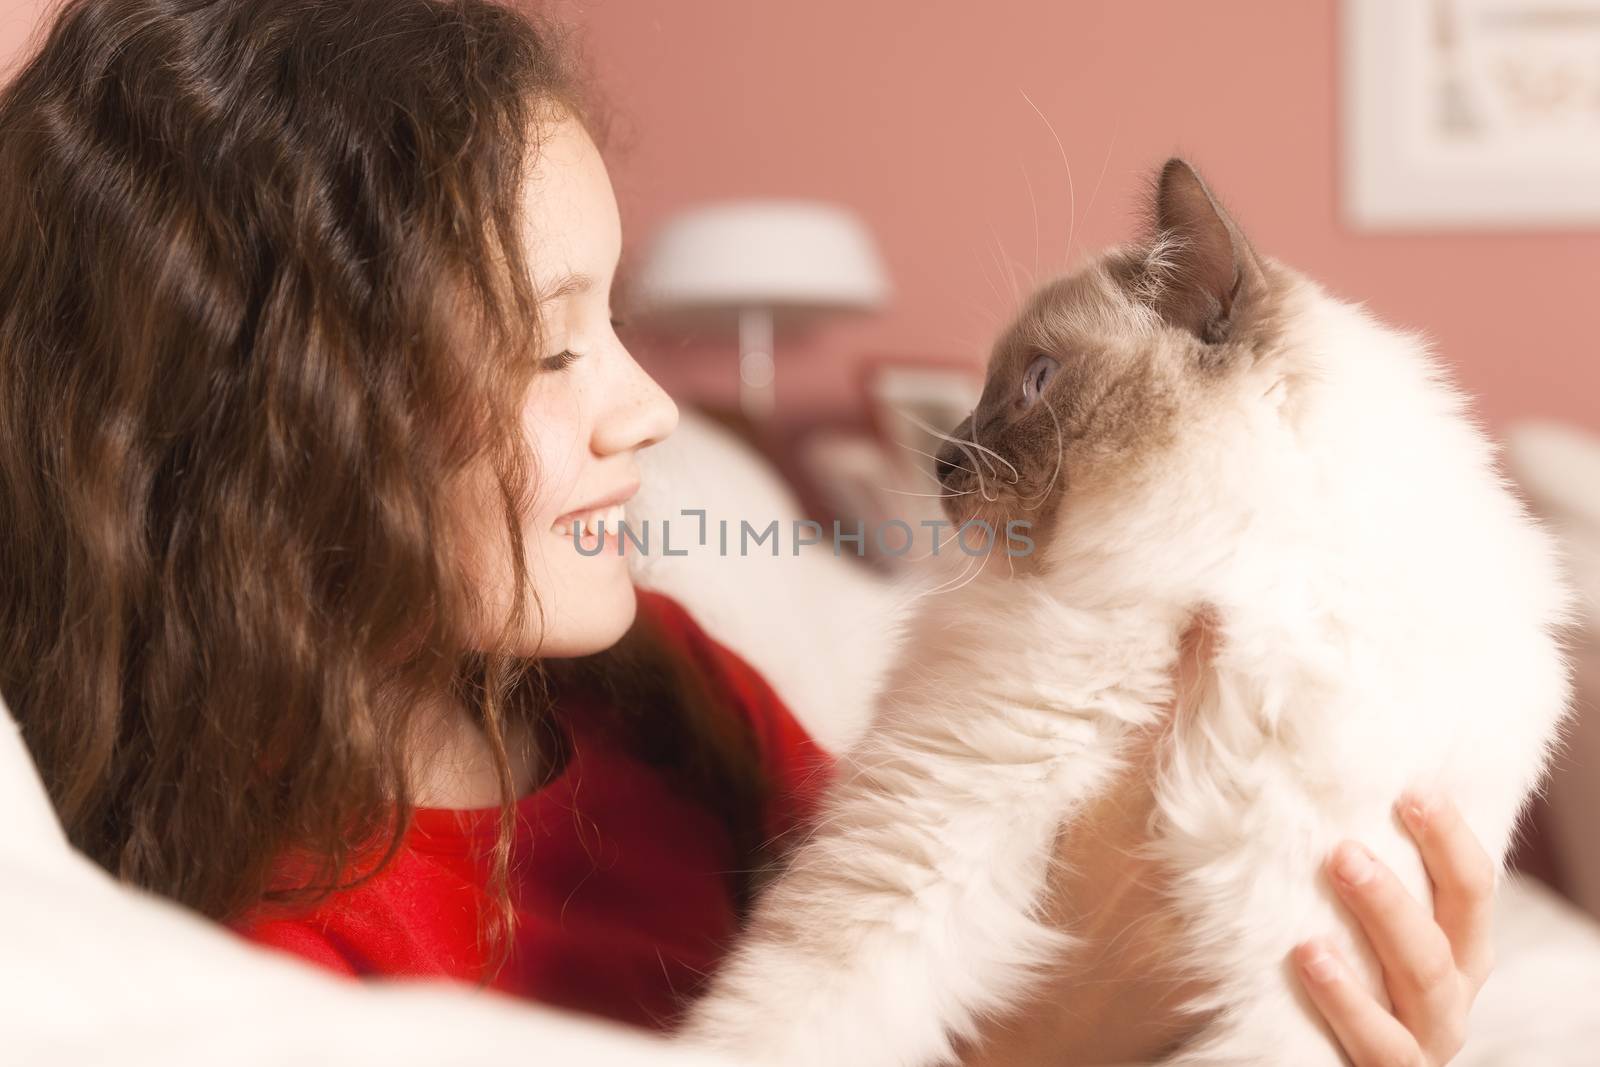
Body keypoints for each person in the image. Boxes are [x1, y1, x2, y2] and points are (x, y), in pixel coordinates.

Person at [0, 1, 1495, 1063]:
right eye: (548, 346)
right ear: (279, 415)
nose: (650, 408)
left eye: (620, 318)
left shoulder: (662, 692)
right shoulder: (257, 952)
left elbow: (964, 914)